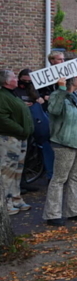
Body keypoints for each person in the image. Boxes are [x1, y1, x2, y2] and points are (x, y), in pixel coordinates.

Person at [42, 75, 77, 226]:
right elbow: (54, 111)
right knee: (59, 178)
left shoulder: (75, 97)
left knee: (75, 177)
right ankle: (52, 214)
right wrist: (61, 88)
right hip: (65, 142)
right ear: (71, 80)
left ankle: (74, 211)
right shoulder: (58, 96)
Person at [1, 69, 34, 216]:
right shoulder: (3, 96)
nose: (16, 79)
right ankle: (5, 203)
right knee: (7, 171)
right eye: (14, 77)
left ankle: (16, 197)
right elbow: (3, 118)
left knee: (17, 170)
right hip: (10, 138)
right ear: (7, 81)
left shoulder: (12, 95)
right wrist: (20, 130)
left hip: (20, 138)